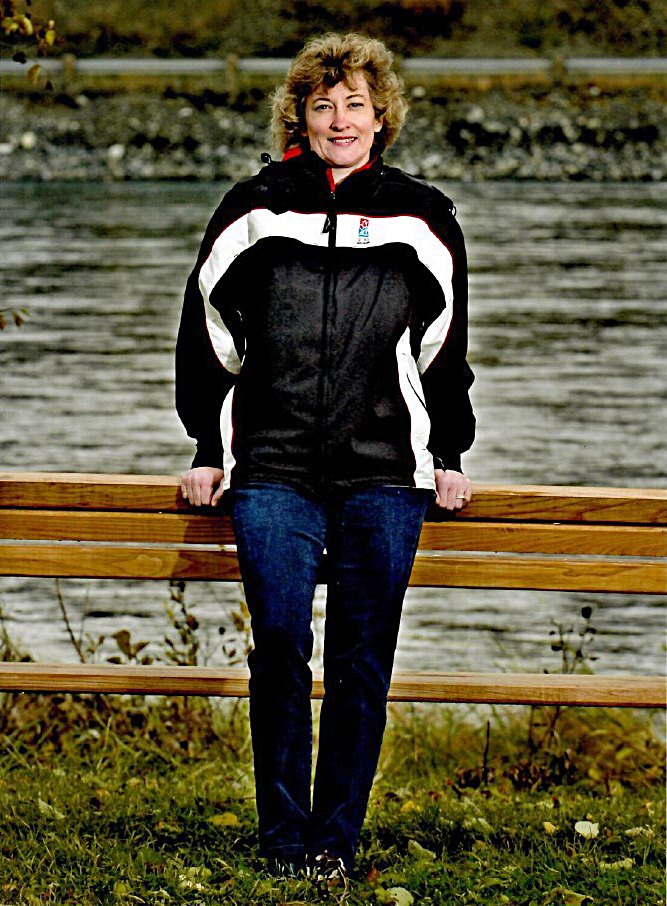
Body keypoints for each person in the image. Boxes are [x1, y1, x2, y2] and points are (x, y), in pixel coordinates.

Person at [176, 32, 475, 880]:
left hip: (385, 468)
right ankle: (281, 840)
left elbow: (444, 343)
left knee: (360, 653)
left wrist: (447, 449)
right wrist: (206, 443)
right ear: (298, 117)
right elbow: (205, 331)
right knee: (278, 643)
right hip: (270, 465)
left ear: (381, 118)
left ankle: (333, 843)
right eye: (322, 104)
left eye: (355, 104)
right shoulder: (253, 207)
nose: (339, 119)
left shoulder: (425, 214)